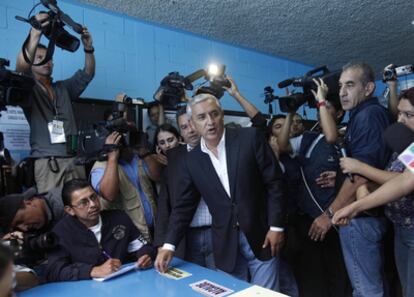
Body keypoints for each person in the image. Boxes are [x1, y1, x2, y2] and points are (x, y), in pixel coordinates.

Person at [155, 93, 285, 291]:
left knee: (265, 294)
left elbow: (275, 183)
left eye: (213, 114)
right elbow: (183, 206)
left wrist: (276, 227)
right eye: (201, 118)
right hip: (225, 243)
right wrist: (168, 245)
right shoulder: (192, 160)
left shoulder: (249, 138)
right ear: (192, 123)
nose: (210, 122)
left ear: (222, 114)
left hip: (263, 235)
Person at [333, 87, 414, 297]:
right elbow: (402, 179)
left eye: (409, 115)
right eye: (400, 113)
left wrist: (359, 169)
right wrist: (356, 200)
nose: (401, 120)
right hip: (401, 229)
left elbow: (406, 182)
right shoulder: (408, 144)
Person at [322, 62, 391, 297]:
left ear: (369, 88)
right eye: (341, 86)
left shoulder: (369, 116)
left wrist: (330, 214)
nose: (342, 92)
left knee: (366, 291)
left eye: (350, 85)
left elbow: (361, 175)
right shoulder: (361, 115)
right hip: (365, 215)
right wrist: (340, 175)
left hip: (360, 219)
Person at [277, 79, 350, 297]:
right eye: (319, 108)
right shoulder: (308, 139)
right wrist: (290, 113)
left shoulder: (346, 139)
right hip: (308, 218)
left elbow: (355, 176)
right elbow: (282, 146)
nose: (320, 111)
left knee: (340, 274)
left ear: (337, 114)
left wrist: (338, 177)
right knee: (313, 277)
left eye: (326, 107)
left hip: (339, 218)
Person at [15, 12, 95, 193]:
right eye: (39, 58)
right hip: (48, 163)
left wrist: (88, 47)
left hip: (74, 160)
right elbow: (20, 68)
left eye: (49, 58)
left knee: (81, 208)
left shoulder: (63, 88)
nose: (46, 61)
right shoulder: (29, 88)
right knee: (53, 213)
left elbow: (88, 73)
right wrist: (35, 32)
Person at [45, 179, 154, 282]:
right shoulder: (60, 233)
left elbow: (141, 247)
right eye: (83, 202)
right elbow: (54, 271)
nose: (93, 204)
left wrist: (144, 255)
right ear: (70, 210)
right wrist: (93, 271)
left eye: (93, 197)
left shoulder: (119, 218)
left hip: (125, 282)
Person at [154, 107, 215, 269]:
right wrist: (162, 242)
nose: (191, 130)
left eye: (193, 123)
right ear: (180, 132)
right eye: (184, 127)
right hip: (186, 237)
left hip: (218, 233)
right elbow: (165, 203)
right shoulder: (174, 157)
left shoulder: (218, 152)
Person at [90, 132, 158, 243]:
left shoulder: (139, 158)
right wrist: (112, 157)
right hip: (125, 237)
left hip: (153, 231)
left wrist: (145, 154)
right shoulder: (101, 166)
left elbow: (158, 176)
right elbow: (109, 195)